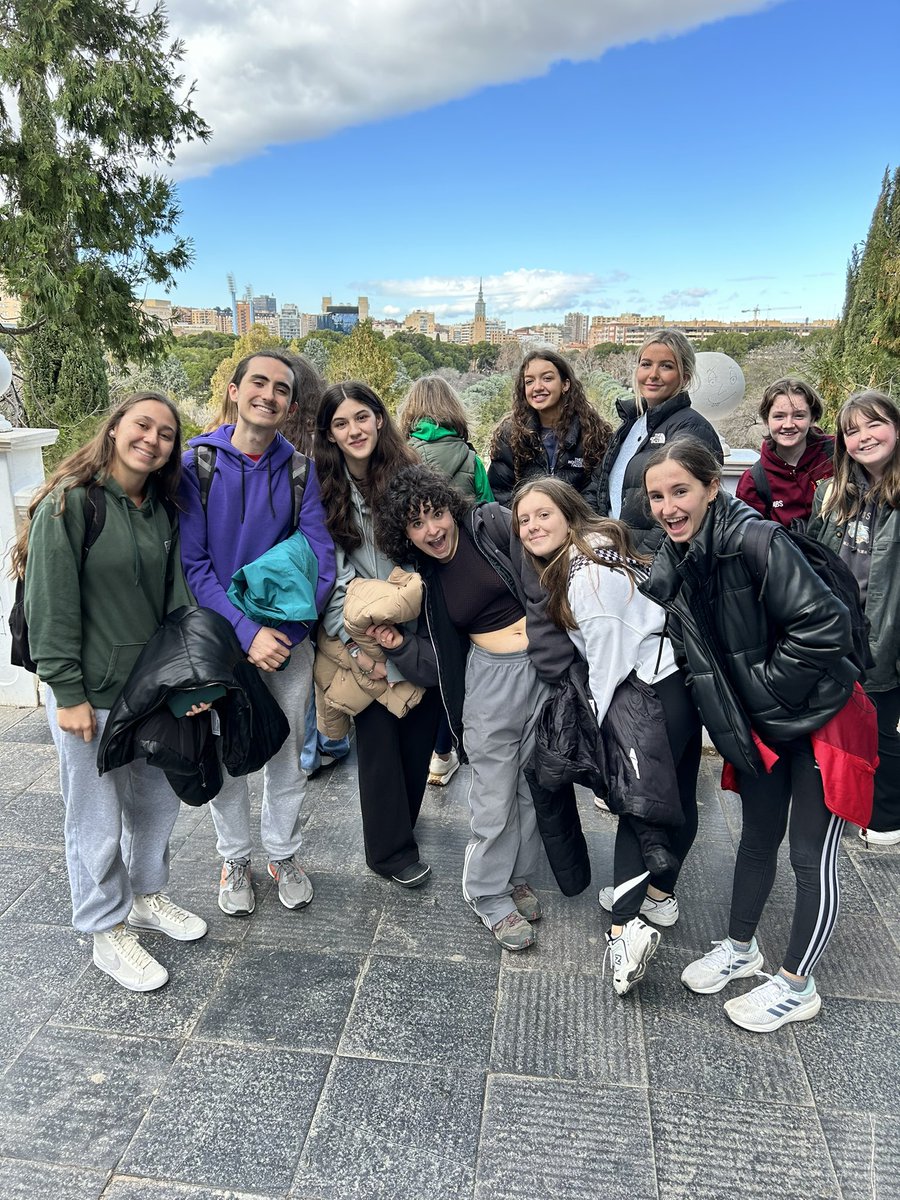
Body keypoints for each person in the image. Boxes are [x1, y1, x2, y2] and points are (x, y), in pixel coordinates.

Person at [641, 437, 859, 1032]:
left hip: (823, 714)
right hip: (766, 720)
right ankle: (743, 949)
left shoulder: (757, 540)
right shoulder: (680, 558)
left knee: (811, 854)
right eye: (657, 496)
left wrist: (762, 691)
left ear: (714, 487)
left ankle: (797, 984)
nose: (668, 506)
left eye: (680, 491)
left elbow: (824, 625)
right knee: (758, 838)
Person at [18, 392, 206, 992]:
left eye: (167, 433)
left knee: (154, 808)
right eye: (142, 425)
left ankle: (148, 897)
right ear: (116, 427)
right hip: (89, 697)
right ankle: (105, 929)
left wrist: (187, 684)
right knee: (95, 817)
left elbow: (177, 603)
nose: (152, 439)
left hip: (148, 691)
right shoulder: (70, 504)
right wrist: (67, 692)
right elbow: (50, 607)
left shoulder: (160, 510)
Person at [371, 465, 573, 950]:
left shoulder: (490, 525)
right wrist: (397, 645)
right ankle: (486, 892)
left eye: (436, 514)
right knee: (494, 794)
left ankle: (516, 877)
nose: (432, 530)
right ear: (406, 536)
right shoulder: (423, 579)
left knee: (529, 786)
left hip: (539, 669)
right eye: (417, 525)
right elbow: (437, 659)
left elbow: (546, 562)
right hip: (488, 683)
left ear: (450, 508)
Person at [512, 477, 702, 991]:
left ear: (568, 513)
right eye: (523, 520)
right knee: (678, 795)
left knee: (634, 807)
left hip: (642, 696)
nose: (532, 526)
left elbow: (607, 659)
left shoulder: (585, 575)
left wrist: (597, 725)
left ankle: (624, 934)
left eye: (542, 514)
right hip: (673, 688)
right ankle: (659, 897)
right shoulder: (608, 550)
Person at [179, 351, 336, 917]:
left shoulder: (300, 470)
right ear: (234, 390)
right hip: (221, 639)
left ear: (291, 405)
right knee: (227, 749)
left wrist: (288, 633)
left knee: (286, 751)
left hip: (285, 644)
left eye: (281, 389)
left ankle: (283, 851)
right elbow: (194, 565)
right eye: (258, 383)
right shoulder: (195, 464)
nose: (268, 395)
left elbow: (321, 560)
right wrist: (246, 633)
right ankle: (235, 856)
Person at [314, 381, 442, 887]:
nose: (354, 430)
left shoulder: (409, 474)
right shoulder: (322, 489)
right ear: (330, 433)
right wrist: (352, 645)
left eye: (361, 417)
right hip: (357, 629)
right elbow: (327, 571)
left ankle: (403, 823)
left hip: (418, 625)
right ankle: (388, 852)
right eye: (341, 423)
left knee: (418, 728)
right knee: (380, 741)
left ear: (379, 419)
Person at [808, 389, 900, 844]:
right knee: (846, 722)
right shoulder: (832, 494)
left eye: (875, 424)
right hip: (841, 634)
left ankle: (885, 817)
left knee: (885, 731)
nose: (864, 437)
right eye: (852, 430)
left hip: (887, 637)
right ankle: (848, 802)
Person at [399, 374, 494, 786]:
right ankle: (451, 746)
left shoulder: (403, 455)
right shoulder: (470, 458)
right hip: (463, 572)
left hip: (417, 575)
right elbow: (487, 509)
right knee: (460, 662)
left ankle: (432, 755)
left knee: (429, 659)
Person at [588, 328, 722, 553]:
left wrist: (644, 559)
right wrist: (593, 533)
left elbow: (682, 508)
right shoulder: (632, 424)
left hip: (650, 565)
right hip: (616, 553)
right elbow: (601, 485)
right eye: (646, 364)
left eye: (666, 366)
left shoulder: (691, 429)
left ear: (685, 377)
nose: (653, 374)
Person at [488, 350, 611, 506]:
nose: (537, 387)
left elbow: (596, 492)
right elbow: (501, 493)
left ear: (565, 384)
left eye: (547, 378)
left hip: (578, 526)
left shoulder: (593, 433)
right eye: (529, 381)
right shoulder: (509, 434)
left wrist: (571, 524)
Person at [736, 377, 834, 528]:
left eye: (799, 415)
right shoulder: (754, 481)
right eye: (779, 416)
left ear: (812, 417)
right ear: (766, 420)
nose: (788, 425)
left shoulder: (837, 454)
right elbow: (748, 536)